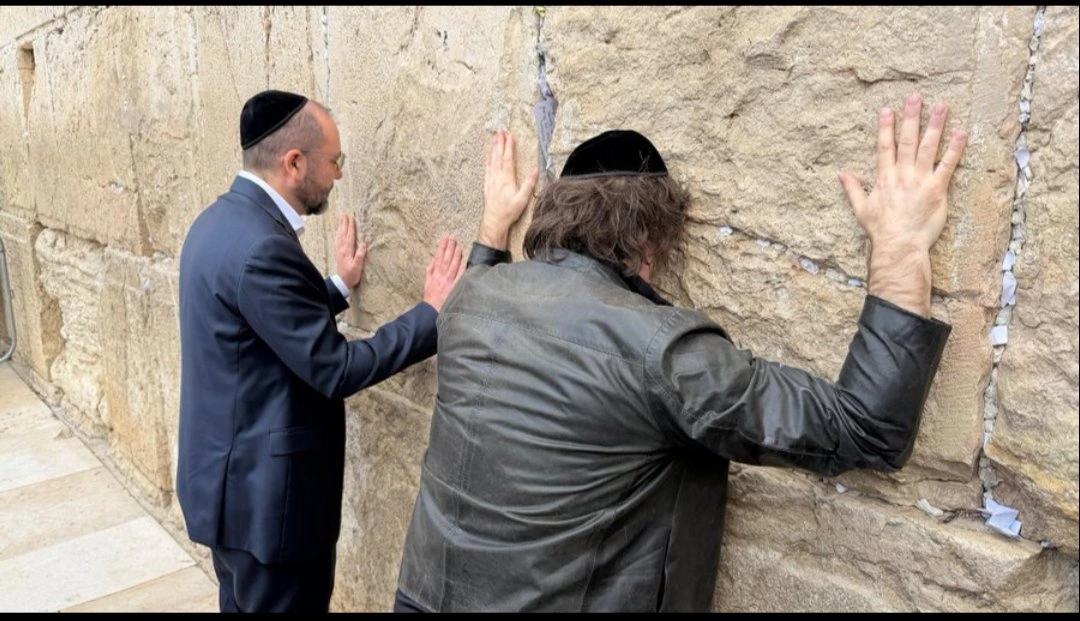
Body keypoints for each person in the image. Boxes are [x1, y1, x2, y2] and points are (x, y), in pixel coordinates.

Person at [393, 94, 968, 612]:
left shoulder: (469, 298)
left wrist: (493, 227)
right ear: (650, 241)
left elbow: (482, 284)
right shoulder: (659, 349)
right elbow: (864, 428)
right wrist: (899, 245)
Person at [176, 89, 466, 613]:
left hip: (227, 495)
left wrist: (334, 285)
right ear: (294, 162)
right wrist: (429, 313)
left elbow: (254, 324)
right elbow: (334, 368)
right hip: (268, 509)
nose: (336, 175)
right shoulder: (264, 246)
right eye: (334, 161)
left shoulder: (214, 225)